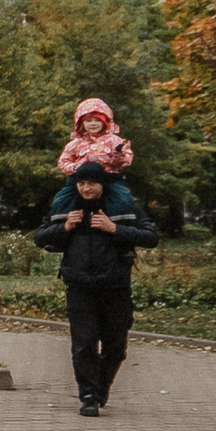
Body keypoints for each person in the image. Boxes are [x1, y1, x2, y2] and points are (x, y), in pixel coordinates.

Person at [34, 162, 160, 417]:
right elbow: (40, 236)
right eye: (81, 183)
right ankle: (89, 396)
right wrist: (65, 227)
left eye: (91, 183)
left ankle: (101, 387)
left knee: (116, 346)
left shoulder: (122, 207)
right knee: (84, 344)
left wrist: (114, 228)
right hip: (79, 284)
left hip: (115, 285)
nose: (86, 188)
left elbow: (151, 237)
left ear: (102, 184)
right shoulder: (68, 207)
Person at [57, 96, 135, 179]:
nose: (93, 124)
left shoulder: (114, 141)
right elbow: (63, 161)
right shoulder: (76, 143)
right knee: (63, 193)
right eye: (88, 121)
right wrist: (74, 167)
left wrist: (120, 154)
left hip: (108, 177)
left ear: (105, 122)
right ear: (81, 123)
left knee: (123, 192)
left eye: (98, 120)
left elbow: (126, 160)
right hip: (81, 178)